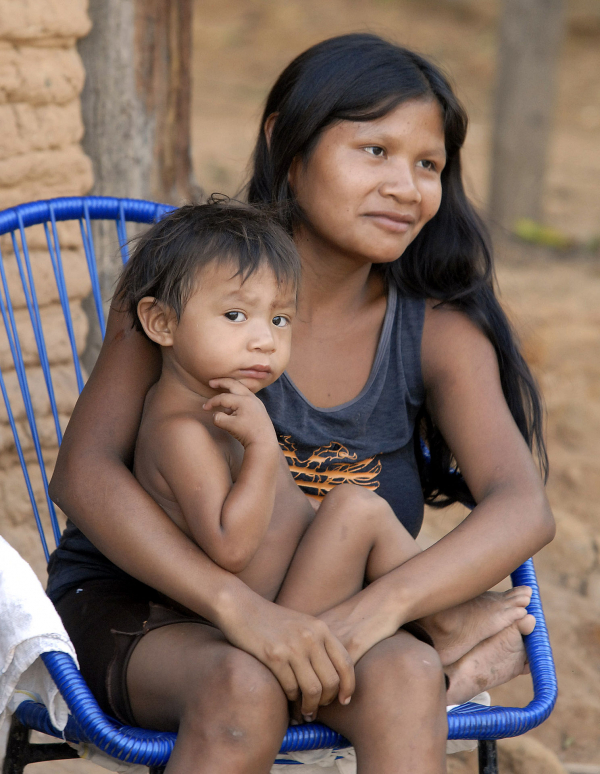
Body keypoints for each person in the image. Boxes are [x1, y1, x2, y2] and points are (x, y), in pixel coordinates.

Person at [47, 34, 555, 774]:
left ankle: (426, 632)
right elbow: (84, 474)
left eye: (429, 165)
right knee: (242, 681)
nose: (406, 186)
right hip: (146, 611)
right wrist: (238, 610)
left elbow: (523, 508)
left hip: (320, 617)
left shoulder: (435, 332)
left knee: (409, 673)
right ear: (286, 141)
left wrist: (382, 609)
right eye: (373, 151)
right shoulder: (192, 289)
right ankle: (436, 627)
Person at [122, 201, 459, 654]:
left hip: (293, 596)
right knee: (358, 511)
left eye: (279, 319)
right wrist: (264, 446)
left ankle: (443, 621)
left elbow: (291, 518)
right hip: (271, 624)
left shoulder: (222, 408)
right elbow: (231, 548)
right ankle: (449, 626)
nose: (265, 339)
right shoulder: (181, 431)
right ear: (161, 322)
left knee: (353, 509)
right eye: (236, 316)